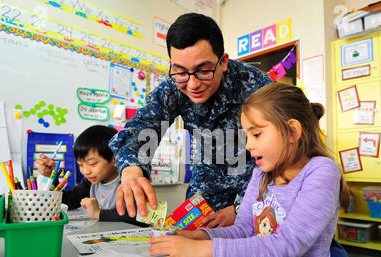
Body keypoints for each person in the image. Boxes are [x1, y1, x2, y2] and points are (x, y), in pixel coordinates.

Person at [148, 82, 350, 257]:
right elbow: (243, 230)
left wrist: (202, 249)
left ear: (292, 131)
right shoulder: (261, 174)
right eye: (247, 136)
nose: (248, 146)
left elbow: (288, 245)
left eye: (257, 134)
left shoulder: (322, 171)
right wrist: (197, 236)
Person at [109, 13, 272, 228]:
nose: (192, 84)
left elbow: (282, 154)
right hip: (207, 183)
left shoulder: (255, 85)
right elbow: (138, 131)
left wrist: (242, 207)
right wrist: (131, 170)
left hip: (257, 187)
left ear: (223, 62)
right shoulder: (172, 89)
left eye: (203, 71)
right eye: (180, 72)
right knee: (187, 240)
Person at [34, 125, 146, 226]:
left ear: (115, 159)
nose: (85, 171)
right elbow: (68, 201)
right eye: (80, 165)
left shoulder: (128, 181)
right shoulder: (90, 183)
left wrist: (99, 213)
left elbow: (139, 215)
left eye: (92, 163)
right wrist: (52, 178)